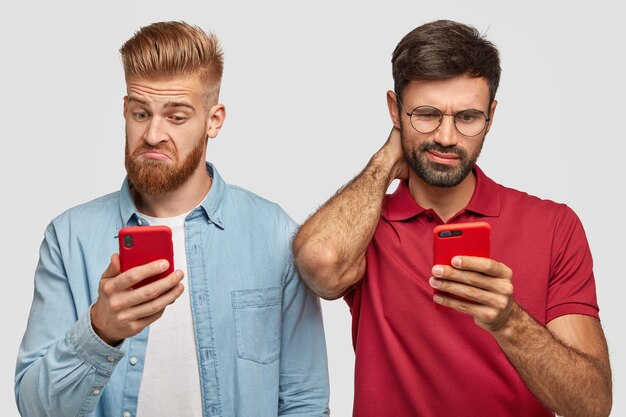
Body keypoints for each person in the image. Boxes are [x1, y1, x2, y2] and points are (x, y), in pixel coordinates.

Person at [292, 19, 611, 417]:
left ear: (490, 116)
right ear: (394, 109)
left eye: (467, 117)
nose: (446, 136)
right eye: (426, 114)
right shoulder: (367, 226)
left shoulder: (554, 226)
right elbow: (319, 265)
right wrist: (385, 161)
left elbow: (592, 405)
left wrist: (509, 322)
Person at [15, 21, 329, 417]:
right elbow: (35, 408)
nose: (152, 134)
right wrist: (101, 330)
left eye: (177, 117)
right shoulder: (69, 237)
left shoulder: (274, 234)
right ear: (124, 111)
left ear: (214, 120)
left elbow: (305, 402)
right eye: (140, 113)